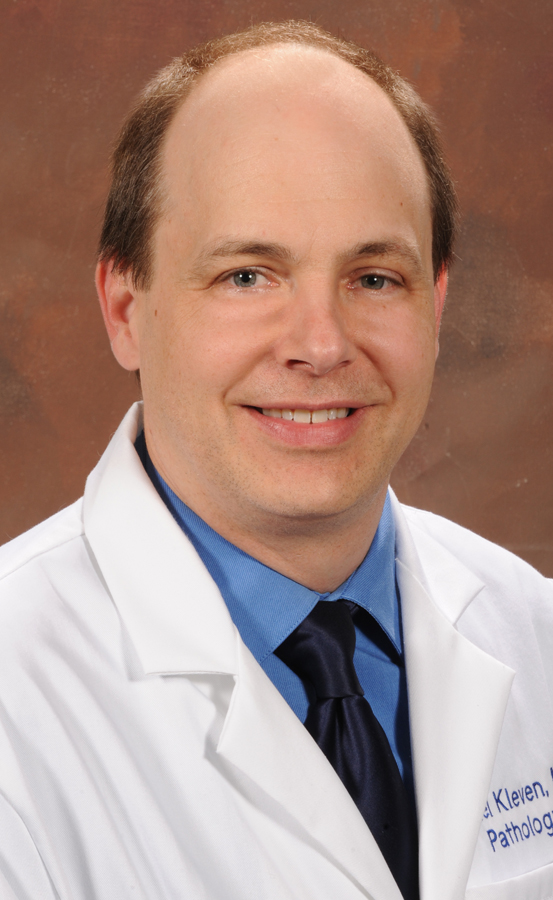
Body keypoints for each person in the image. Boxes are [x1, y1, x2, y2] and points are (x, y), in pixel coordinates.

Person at [0, 19, 552, 900]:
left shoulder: (534, 631)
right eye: (247, 276)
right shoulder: (15, 699)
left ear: (436, 305)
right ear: (125, 307)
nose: (321, 346)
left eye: (374, 278)